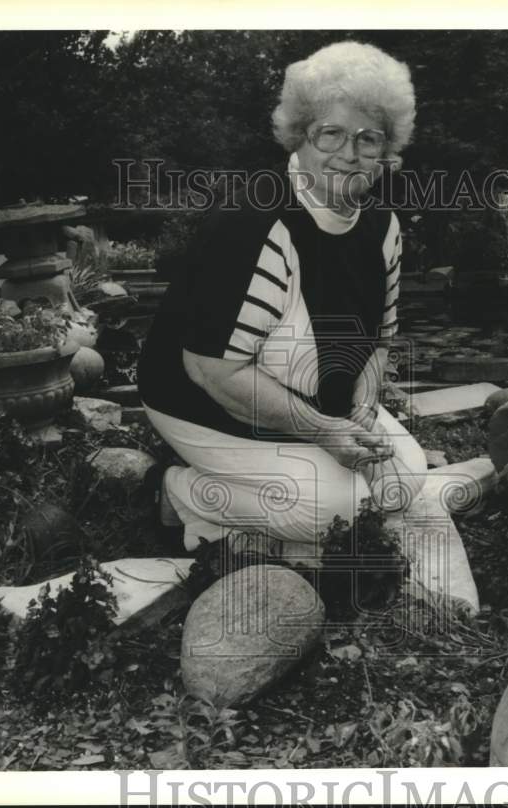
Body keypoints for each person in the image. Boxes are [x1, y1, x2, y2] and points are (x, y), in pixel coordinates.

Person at [137, 42, 427, 564]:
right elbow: (210, 371)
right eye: (330, 133)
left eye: (368, 139)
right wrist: (322, 431)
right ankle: (180, 488)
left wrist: (362, 407)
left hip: (320, 402)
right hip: (203, 403)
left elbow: (379, 341)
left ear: (387, 155)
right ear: (300, 137)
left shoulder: (383, 227)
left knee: (403, 482)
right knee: (338, 509)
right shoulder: (255, 222)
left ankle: (262, 513)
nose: (348, 153)